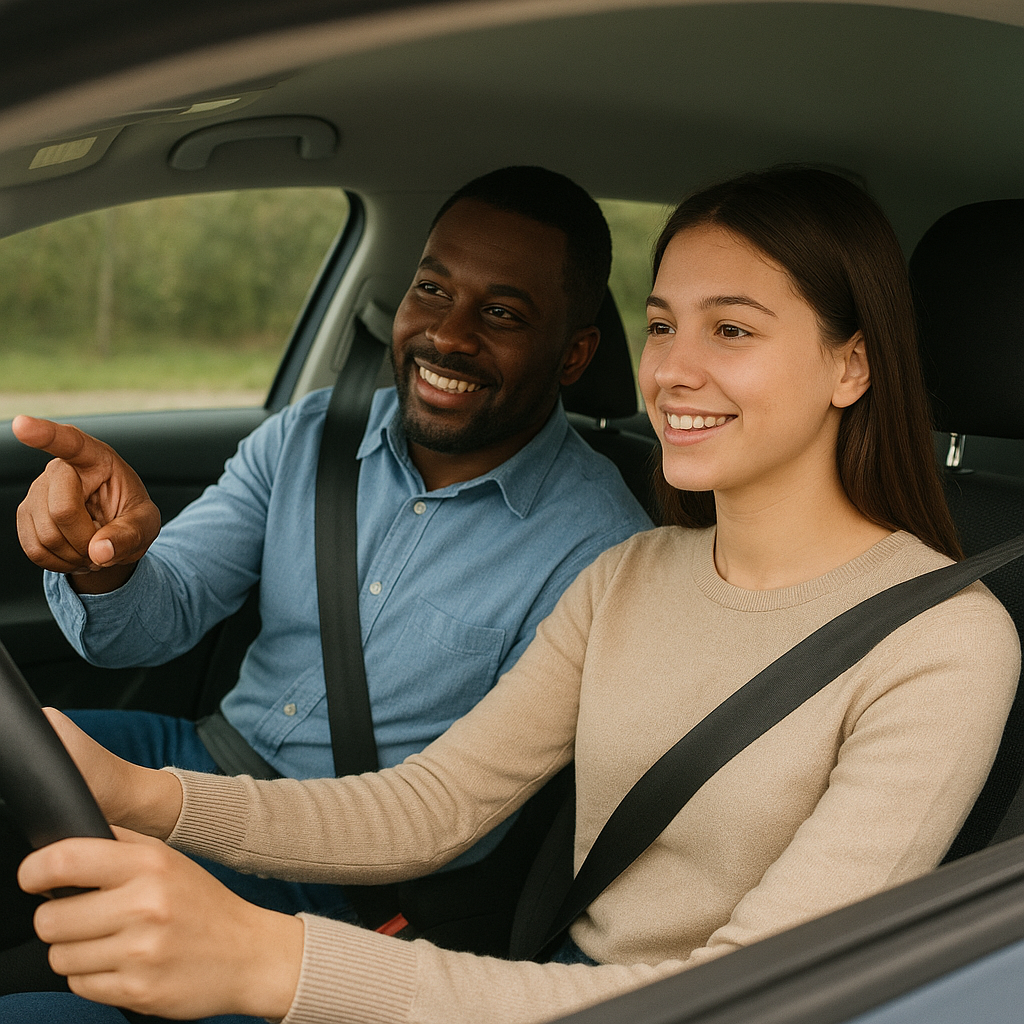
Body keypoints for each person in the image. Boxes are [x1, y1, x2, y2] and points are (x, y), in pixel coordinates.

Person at [4, 166, 1019, 1024]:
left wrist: (275, 958)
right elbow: (434, 804)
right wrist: (149, 796)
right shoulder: (632, 576)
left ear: (851, 363)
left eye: (733, 330)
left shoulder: (942, 642)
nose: (672, 370)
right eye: (663, 324)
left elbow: (758, 993)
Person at [0, 167, 652, 973]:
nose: (448, 335)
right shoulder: (311, 433)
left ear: (574, 354)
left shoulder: (604, 547)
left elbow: (461, 814)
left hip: (350, 873)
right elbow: (154, 623)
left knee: (40, 980)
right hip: (202, 754)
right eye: (431, 291)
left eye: (503, 313)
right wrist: (107, 566)